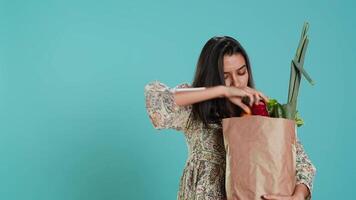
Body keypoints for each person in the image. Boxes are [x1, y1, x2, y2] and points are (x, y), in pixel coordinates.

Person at [144, 36, 316, 200]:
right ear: (211, 77)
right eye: (225, 77)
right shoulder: (194, 109)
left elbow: (303, 164)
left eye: (241, 72)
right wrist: (221, 91)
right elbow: (160, 102)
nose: (236, 83)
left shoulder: (262, 110)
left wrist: (298, 196)